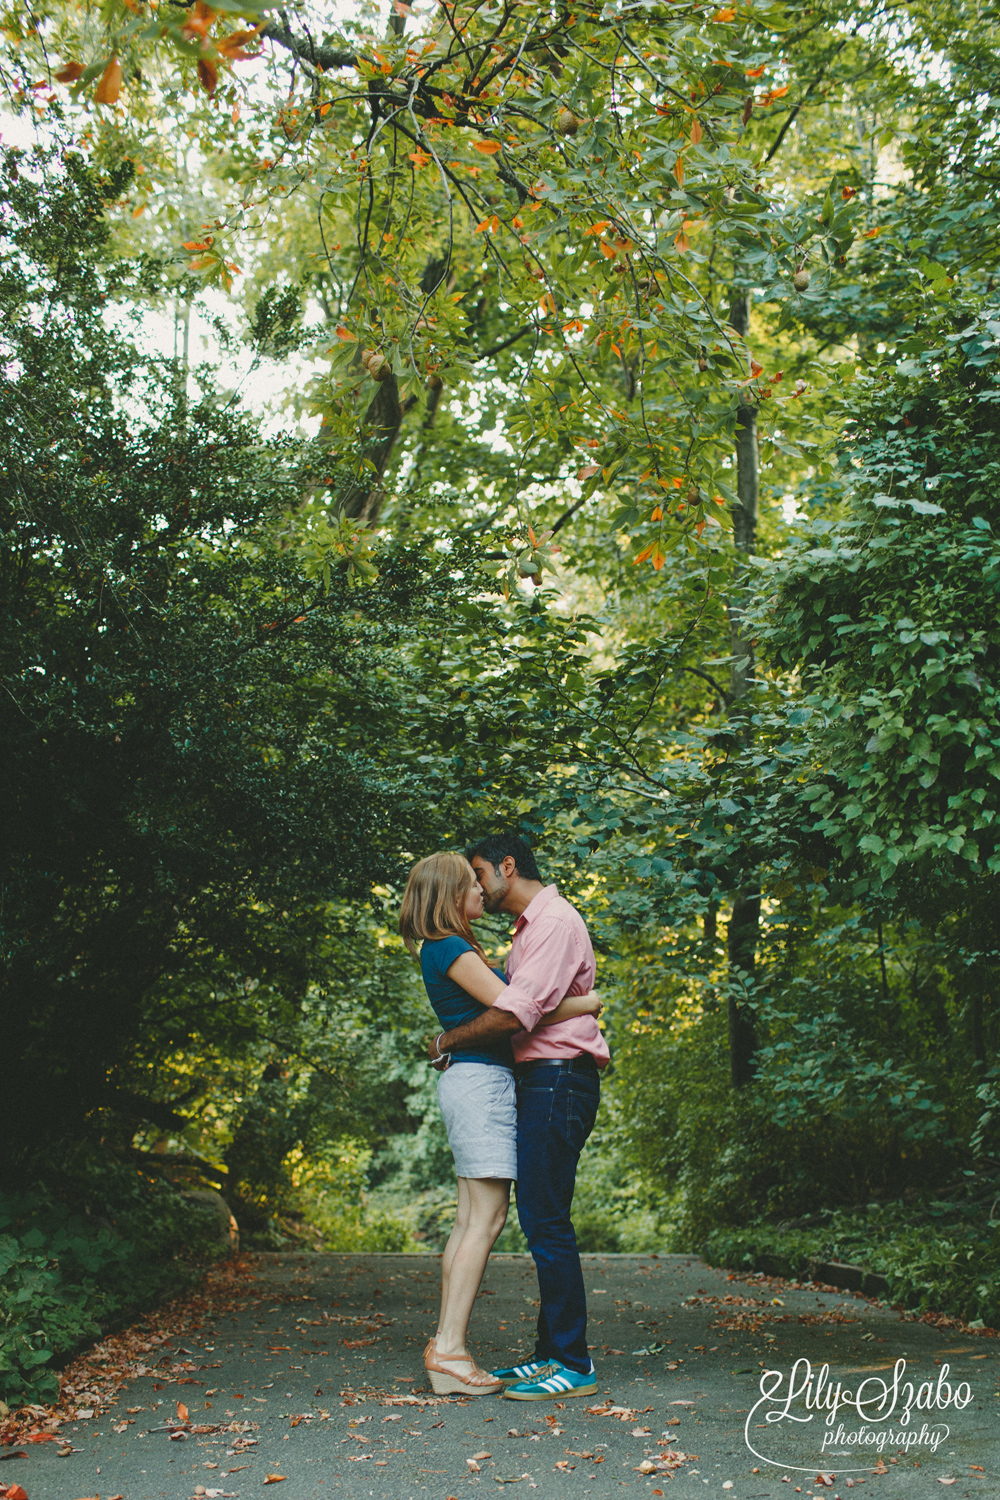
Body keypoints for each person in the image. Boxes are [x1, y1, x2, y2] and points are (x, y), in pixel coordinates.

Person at [398, 850, 602, 1396]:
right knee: (485, 1222)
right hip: (482, 1083)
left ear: (507, 866)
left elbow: (515, 1008)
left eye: (479, 877)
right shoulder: (453, 947)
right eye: (469, 884)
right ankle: (453, 1351)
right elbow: (516, 1011)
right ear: (447, 895)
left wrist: (445, 1041)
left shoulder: (468, 943)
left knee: (480, 1220)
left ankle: (460, 1349)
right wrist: (587, 1003)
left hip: (490, 1080)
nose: (479, 892)